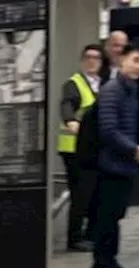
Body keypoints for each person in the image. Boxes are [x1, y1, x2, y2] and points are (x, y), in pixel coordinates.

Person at [88, 38, 139, 268]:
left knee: (116, 214)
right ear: (122, 60)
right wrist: (134, 150)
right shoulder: (112, 90)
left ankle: (111, 259)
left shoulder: (131, 90)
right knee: (107, 213)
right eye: (135, 60)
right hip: (109, 163)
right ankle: (100, 262)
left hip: (123, 162)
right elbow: (108, 130)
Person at [58, 43, 104, 252]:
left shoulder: (101, 84)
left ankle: (89, 234)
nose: (92, 60)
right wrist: (70, 121)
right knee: (80, 193)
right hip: (73, 148)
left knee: (92, 191)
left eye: (96, 57)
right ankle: (74, 238)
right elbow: (66, 104)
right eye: (88, 57)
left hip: (92, 147)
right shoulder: (74, 83)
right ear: (82, 60)